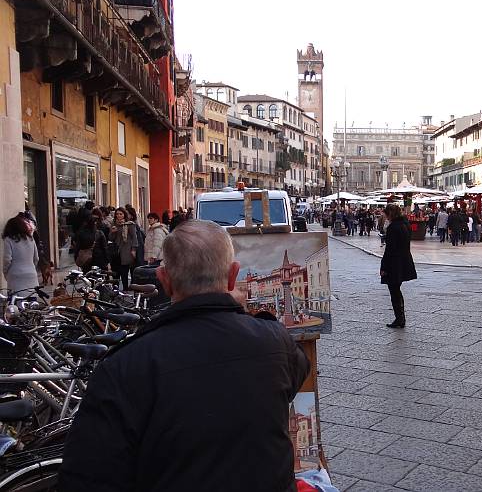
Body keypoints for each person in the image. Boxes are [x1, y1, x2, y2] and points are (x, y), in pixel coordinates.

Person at [59, 220, 310, 490]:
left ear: (164, 280)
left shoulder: (124, 366)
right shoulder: (276, 342)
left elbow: (86, 476)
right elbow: (297, 372)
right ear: (233, 276)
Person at [380, 204, 417, 328]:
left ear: (390, 214)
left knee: (394, 291)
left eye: (386, 213)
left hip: (394, 263)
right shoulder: (405, 224)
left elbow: (390, 250)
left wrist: (384, 267)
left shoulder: (393, 227)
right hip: (404, 260)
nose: (385, 216)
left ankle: (399, 318)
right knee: (396, 290)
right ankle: (401, 318)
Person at [2, 214, 39, 295]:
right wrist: (31, 267)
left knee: (17, 302)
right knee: (32, 302)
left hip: (15, 275)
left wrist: (5, 272)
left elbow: (7, 259)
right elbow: (36, 258)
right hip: (31, 274)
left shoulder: (8, 240)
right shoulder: (30, 239)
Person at [108, 208, 138, 290]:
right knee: (115, 272)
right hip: (116, 251)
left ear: (124, 214)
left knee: (124, 271)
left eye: (121, 214)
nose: (119, 216)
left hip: (126, 250)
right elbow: (110, 238)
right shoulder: (114, 224)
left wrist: (133, 249)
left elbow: (134, 238)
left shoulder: (130, 224)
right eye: (117, 214)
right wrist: (113, 232)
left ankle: (125, 289)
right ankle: (115, 289)